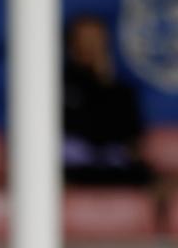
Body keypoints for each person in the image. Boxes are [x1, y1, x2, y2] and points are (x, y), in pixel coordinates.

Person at [62, 13, 153, 187]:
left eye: (97, 39)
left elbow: (128, 136)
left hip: (113, 169)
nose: (91, 46)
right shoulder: (52, 87)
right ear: (72, 43)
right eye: (85, 39)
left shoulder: (121, 90)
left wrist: (104, 83)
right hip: (70, 170)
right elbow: (76, 128)